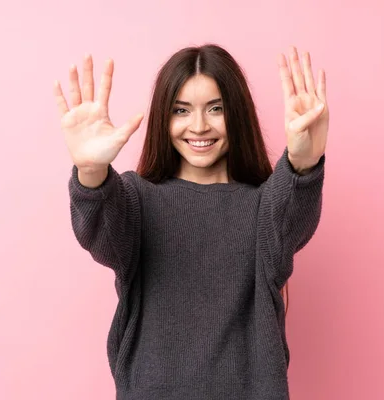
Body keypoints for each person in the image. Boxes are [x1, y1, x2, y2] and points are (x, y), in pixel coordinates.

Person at [53, 43, 328, 400]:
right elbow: (100, 231)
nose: (199, 126)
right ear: (163, 118)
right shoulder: (136, 199)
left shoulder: (263, 205)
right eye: (181, 110)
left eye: (216, 108)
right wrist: (91, 172)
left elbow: (292, 216)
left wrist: (303, 162)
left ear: (237, 114)